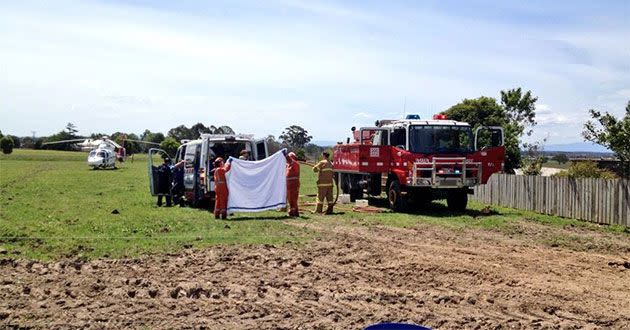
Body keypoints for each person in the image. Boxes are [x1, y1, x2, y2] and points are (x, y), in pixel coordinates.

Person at [285, 151, 300, 217]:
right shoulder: (288, 165)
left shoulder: (295, 164)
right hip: (289, 185)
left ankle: (292, 212)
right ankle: (295, 211)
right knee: (290, 198)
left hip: (294, 184)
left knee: (293, 198)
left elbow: (290, 160)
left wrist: (285, 155)